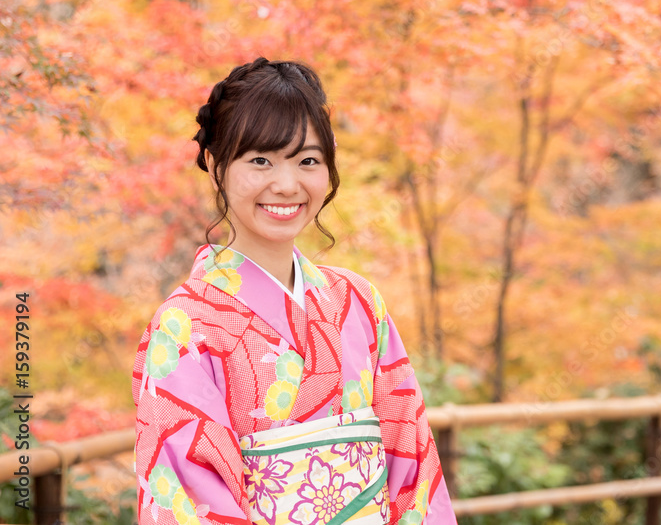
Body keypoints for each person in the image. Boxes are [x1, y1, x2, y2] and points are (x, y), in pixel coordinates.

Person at [131, 58, 457, 525]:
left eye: (307, 161)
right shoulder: (183, 326)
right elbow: (188, 503)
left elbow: (413, 464)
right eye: (260, 160)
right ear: (216, 165)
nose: (286, 185)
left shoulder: (358, 301)